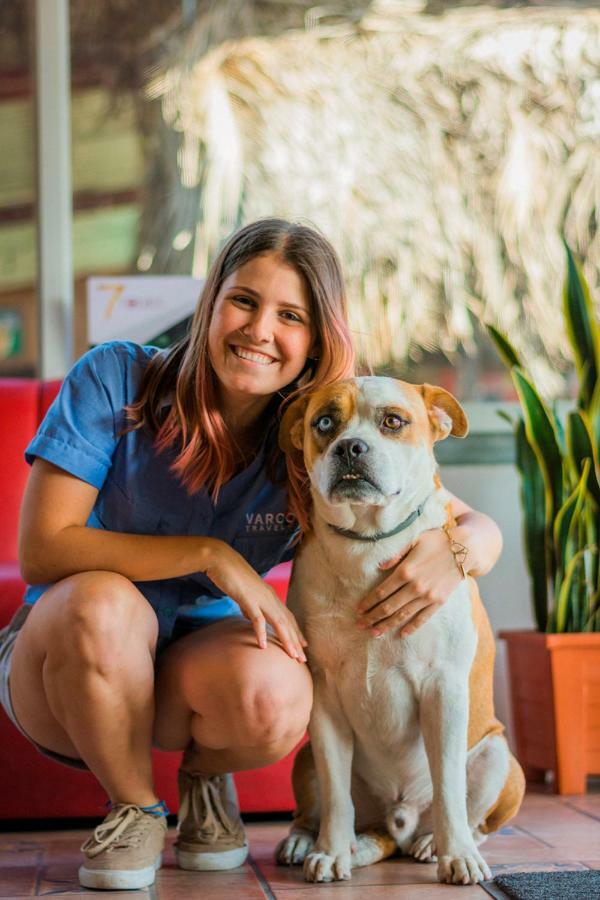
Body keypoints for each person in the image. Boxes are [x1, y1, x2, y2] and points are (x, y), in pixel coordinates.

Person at [0, 218, 502, 891]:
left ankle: (205, 780)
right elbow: (42, 549)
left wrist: (462, 547)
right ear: (210, 301)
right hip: (64, 664)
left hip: (195, 670)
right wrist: (213, 556)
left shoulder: (309, 431)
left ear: (316, 339)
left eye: (290, 315)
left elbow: (441, 505)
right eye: (244, 300)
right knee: (103, 602)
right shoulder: (117, 377)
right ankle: (135, 808)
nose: (260, 330)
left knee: (279, 689)